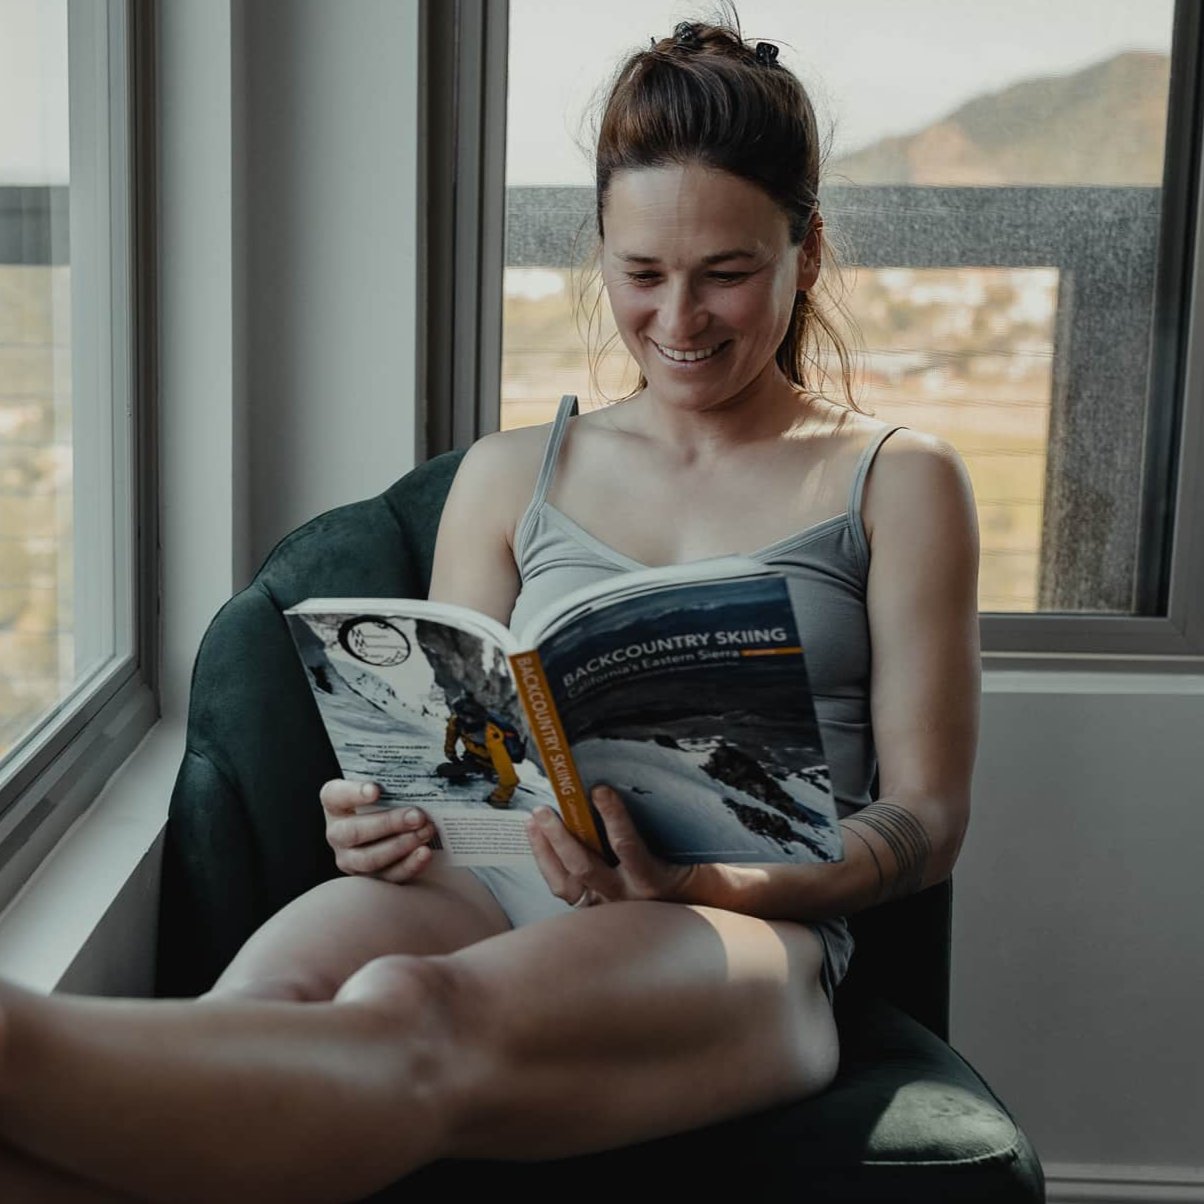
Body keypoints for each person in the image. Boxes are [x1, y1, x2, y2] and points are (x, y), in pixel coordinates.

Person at [0, 12, 980, 1202]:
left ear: (804, 252)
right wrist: (379, 815)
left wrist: (702, 884)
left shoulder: (898, 477)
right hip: (479, 877)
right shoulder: (511, 472)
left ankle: (16, 1043)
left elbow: (925, 820)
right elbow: (448, 762)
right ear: (600, 252)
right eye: (641, 274)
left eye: (727, 274)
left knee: (409, 1009)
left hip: (732, 928)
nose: (679, 322)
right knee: (258, 1013)